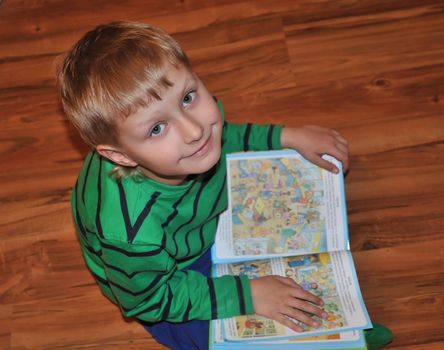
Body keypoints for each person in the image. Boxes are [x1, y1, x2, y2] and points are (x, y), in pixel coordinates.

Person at [58, 21, 391, 349]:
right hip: (167, 277)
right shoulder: (129, 234)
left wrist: (285, 136)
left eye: (188, 97)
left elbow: (226, 134)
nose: (194, 130)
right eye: (157, 128)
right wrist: (247, 295)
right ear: (121, 155)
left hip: (199, 226)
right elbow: (150, 299)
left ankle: (347, 335)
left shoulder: (192, 141)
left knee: (300, 283)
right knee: (244, 337)